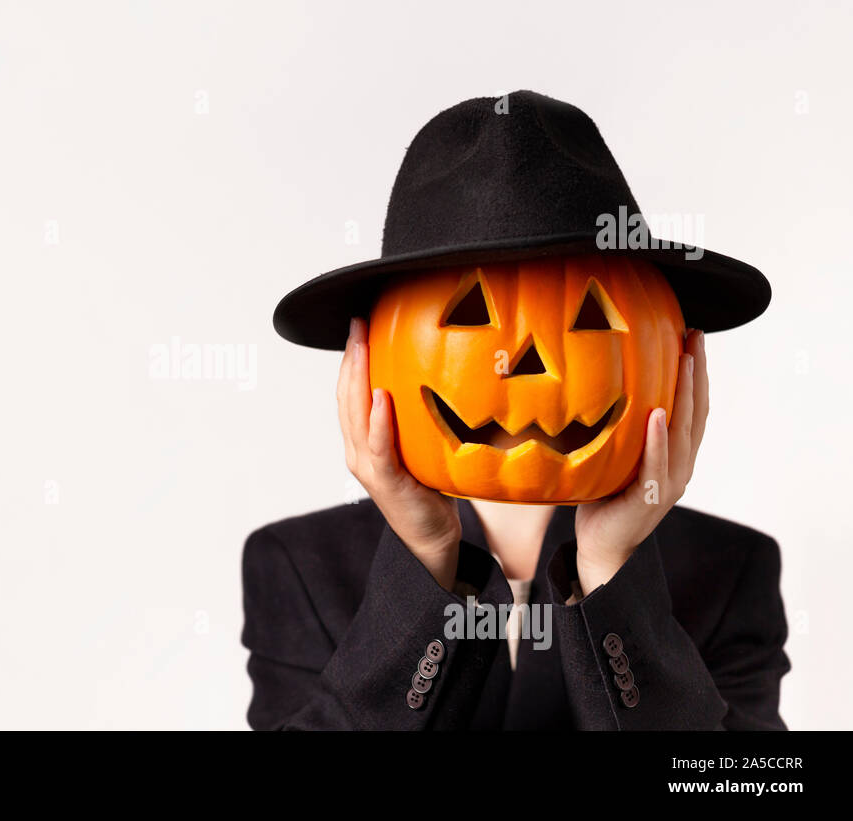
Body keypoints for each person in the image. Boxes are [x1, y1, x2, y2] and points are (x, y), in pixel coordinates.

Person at [242, 91, 789, 730]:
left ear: (675, 362)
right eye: (471, 314)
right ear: (369, 359)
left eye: (589, 318)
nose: (528, 363)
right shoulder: (298, 564)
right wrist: (427, 555)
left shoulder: (731, 568)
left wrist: (610, 572)